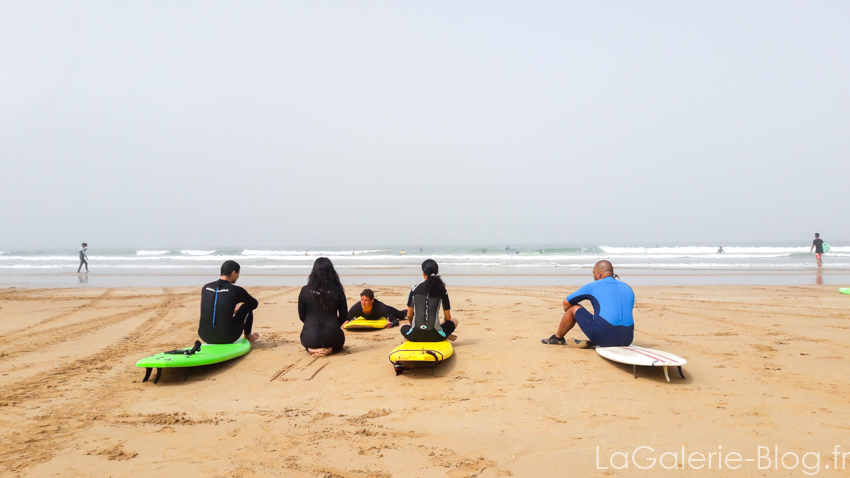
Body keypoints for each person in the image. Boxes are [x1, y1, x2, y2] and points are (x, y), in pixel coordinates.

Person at [542, 260, 634, 348]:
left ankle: (558, 338)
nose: (593, 276)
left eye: (593, 273)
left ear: (599, 274)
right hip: (627, 339)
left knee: (574, 307)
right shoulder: (627, 288)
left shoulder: (594, 286)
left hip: (603, 336)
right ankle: (595, 341)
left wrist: (570, 315)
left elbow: (566, 303)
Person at [197, 260, 259, 344]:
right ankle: (248, 336)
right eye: (238, 274)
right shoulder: (235, 290)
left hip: (204, 336)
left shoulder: (206, 287)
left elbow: (212, 304)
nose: (238, 277)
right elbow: (254, 304)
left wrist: (229, 310)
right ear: (233, 273)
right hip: (227, 337)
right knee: (247, 306)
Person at [298, 257, 347, 357]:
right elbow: (344, 315)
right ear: (331, 272)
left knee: (309, 341)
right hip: (332, 336)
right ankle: (330, 349)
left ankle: (311, 349)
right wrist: (334, 324)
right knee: (339, 341)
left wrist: (310, 324)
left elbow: (302, 316)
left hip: (309, 337)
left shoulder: (305, 291)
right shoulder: (337, 290)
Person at [401, 259, 457, 342]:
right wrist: (443, 323)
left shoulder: (414, 289)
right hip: (436, 336)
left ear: (423, 273)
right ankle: (445, 334)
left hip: (415, 335)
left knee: (401, 326)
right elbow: (448, 318)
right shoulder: (442, 289)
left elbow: (409, 315)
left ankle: (410, 335)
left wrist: (414, 327)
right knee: (454, 320)